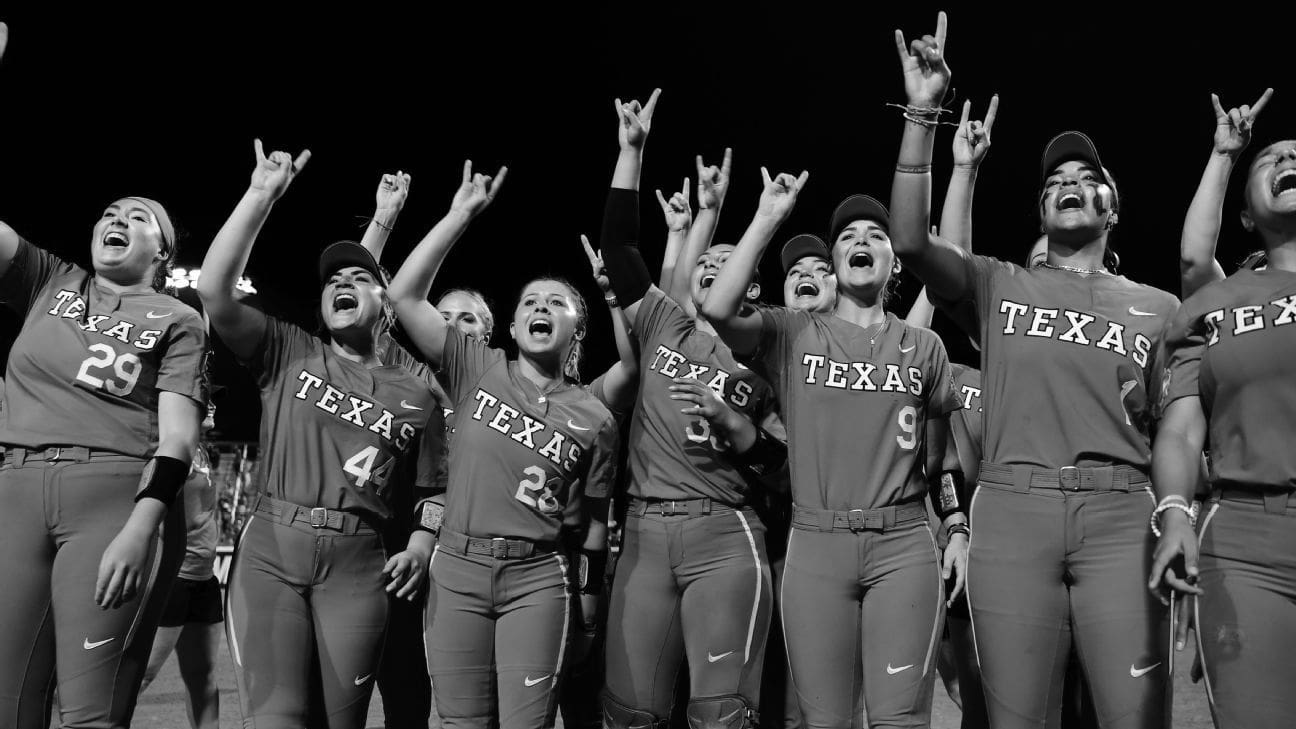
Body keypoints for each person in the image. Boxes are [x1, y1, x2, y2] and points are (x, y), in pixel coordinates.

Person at [889, 13, 1179, 728]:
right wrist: (925, 115)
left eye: (1089, 177)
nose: (1072, 184)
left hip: (1122, 512)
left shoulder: (1160, 307)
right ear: (1040, 208)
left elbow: (1181, 426)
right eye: (1056, 180)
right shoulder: (1002, 284)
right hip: (1014, 511)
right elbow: (911, 239)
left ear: (1115, 205)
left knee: (1137, 716)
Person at [702, 173, 968, 728]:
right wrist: (767, 218)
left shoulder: (924, 346)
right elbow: (721, 308)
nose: (860, 242)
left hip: (902, 546)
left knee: (899, 720)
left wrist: (957, 526)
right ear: (836, 260)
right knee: (825, 722)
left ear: (896, 262)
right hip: (817, 543)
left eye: (875, 234)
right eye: (846, 236)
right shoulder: (794, 332)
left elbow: (939, 457)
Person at [199, 140, 439, 729]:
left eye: (359, 279)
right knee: (279, 717)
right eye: (333, 279)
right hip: (272, 549)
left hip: (361, 560)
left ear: (389, 305)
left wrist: (423, 542)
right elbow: (213, 291)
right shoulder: (289, 352)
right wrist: (260, 197)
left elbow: (440, 485)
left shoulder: (418, 391)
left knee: (343, 721)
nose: (342, 283)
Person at [0, 45, 205, 728]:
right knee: (9, 703)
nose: (116, 218)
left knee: (90, 711)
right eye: (109, 210)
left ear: (163, 251)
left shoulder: (178, 318)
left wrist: (141, 527)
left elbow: (177, 436)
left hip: (114, 498)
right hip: (16, 488)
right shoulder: (49, 279)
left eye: (137, 215)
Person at [387, 160, 619, 729]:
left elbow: (592, 523)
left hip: (542, 576)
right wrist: (458, 215)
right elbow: (404, 296)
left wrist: (589, 608)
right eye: (529, 303)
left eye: (556, 303)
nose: (541, 307)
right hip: (459, 568)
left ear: (577, 331)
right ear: (511, 329)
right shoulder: (477, 368)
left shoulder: (595, 415)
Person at [595, 89, 785, 729]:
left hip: (724, 532)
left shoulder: (768, 364)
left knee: (722, 715)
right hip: (645, 534)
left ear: (750, 286)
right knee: (629, 714)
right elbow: (619, 250)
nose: (710, 267)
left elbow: (787, 470)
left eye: (726, 263)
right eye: (704, 261)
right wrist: (632, 153)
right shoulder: (662, 326)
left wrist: (735, 426)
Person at [1150, 135, 1296, 729]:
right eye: (1273, 159)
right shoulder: (1213, 306)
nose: (1288, 162)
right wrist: (1176, 514)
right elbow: (1182, 433)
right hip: (1243, 547)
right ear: (1244, 215)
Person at [137, 399, 223, 729]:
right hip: (173, 578)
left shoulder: (198, 449)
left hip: (203, 580)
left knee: (203, 678)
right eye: (204, 398)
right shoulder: (172, 450)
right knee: (142, 674)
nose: (212, 404)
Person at [1179, 89, 1274, 299]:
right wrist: (1224, 156)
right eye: (1269, 162)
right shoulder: (1239, 295)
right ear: (1248, 218)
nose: (1287, 155)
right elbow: (1195, 262)